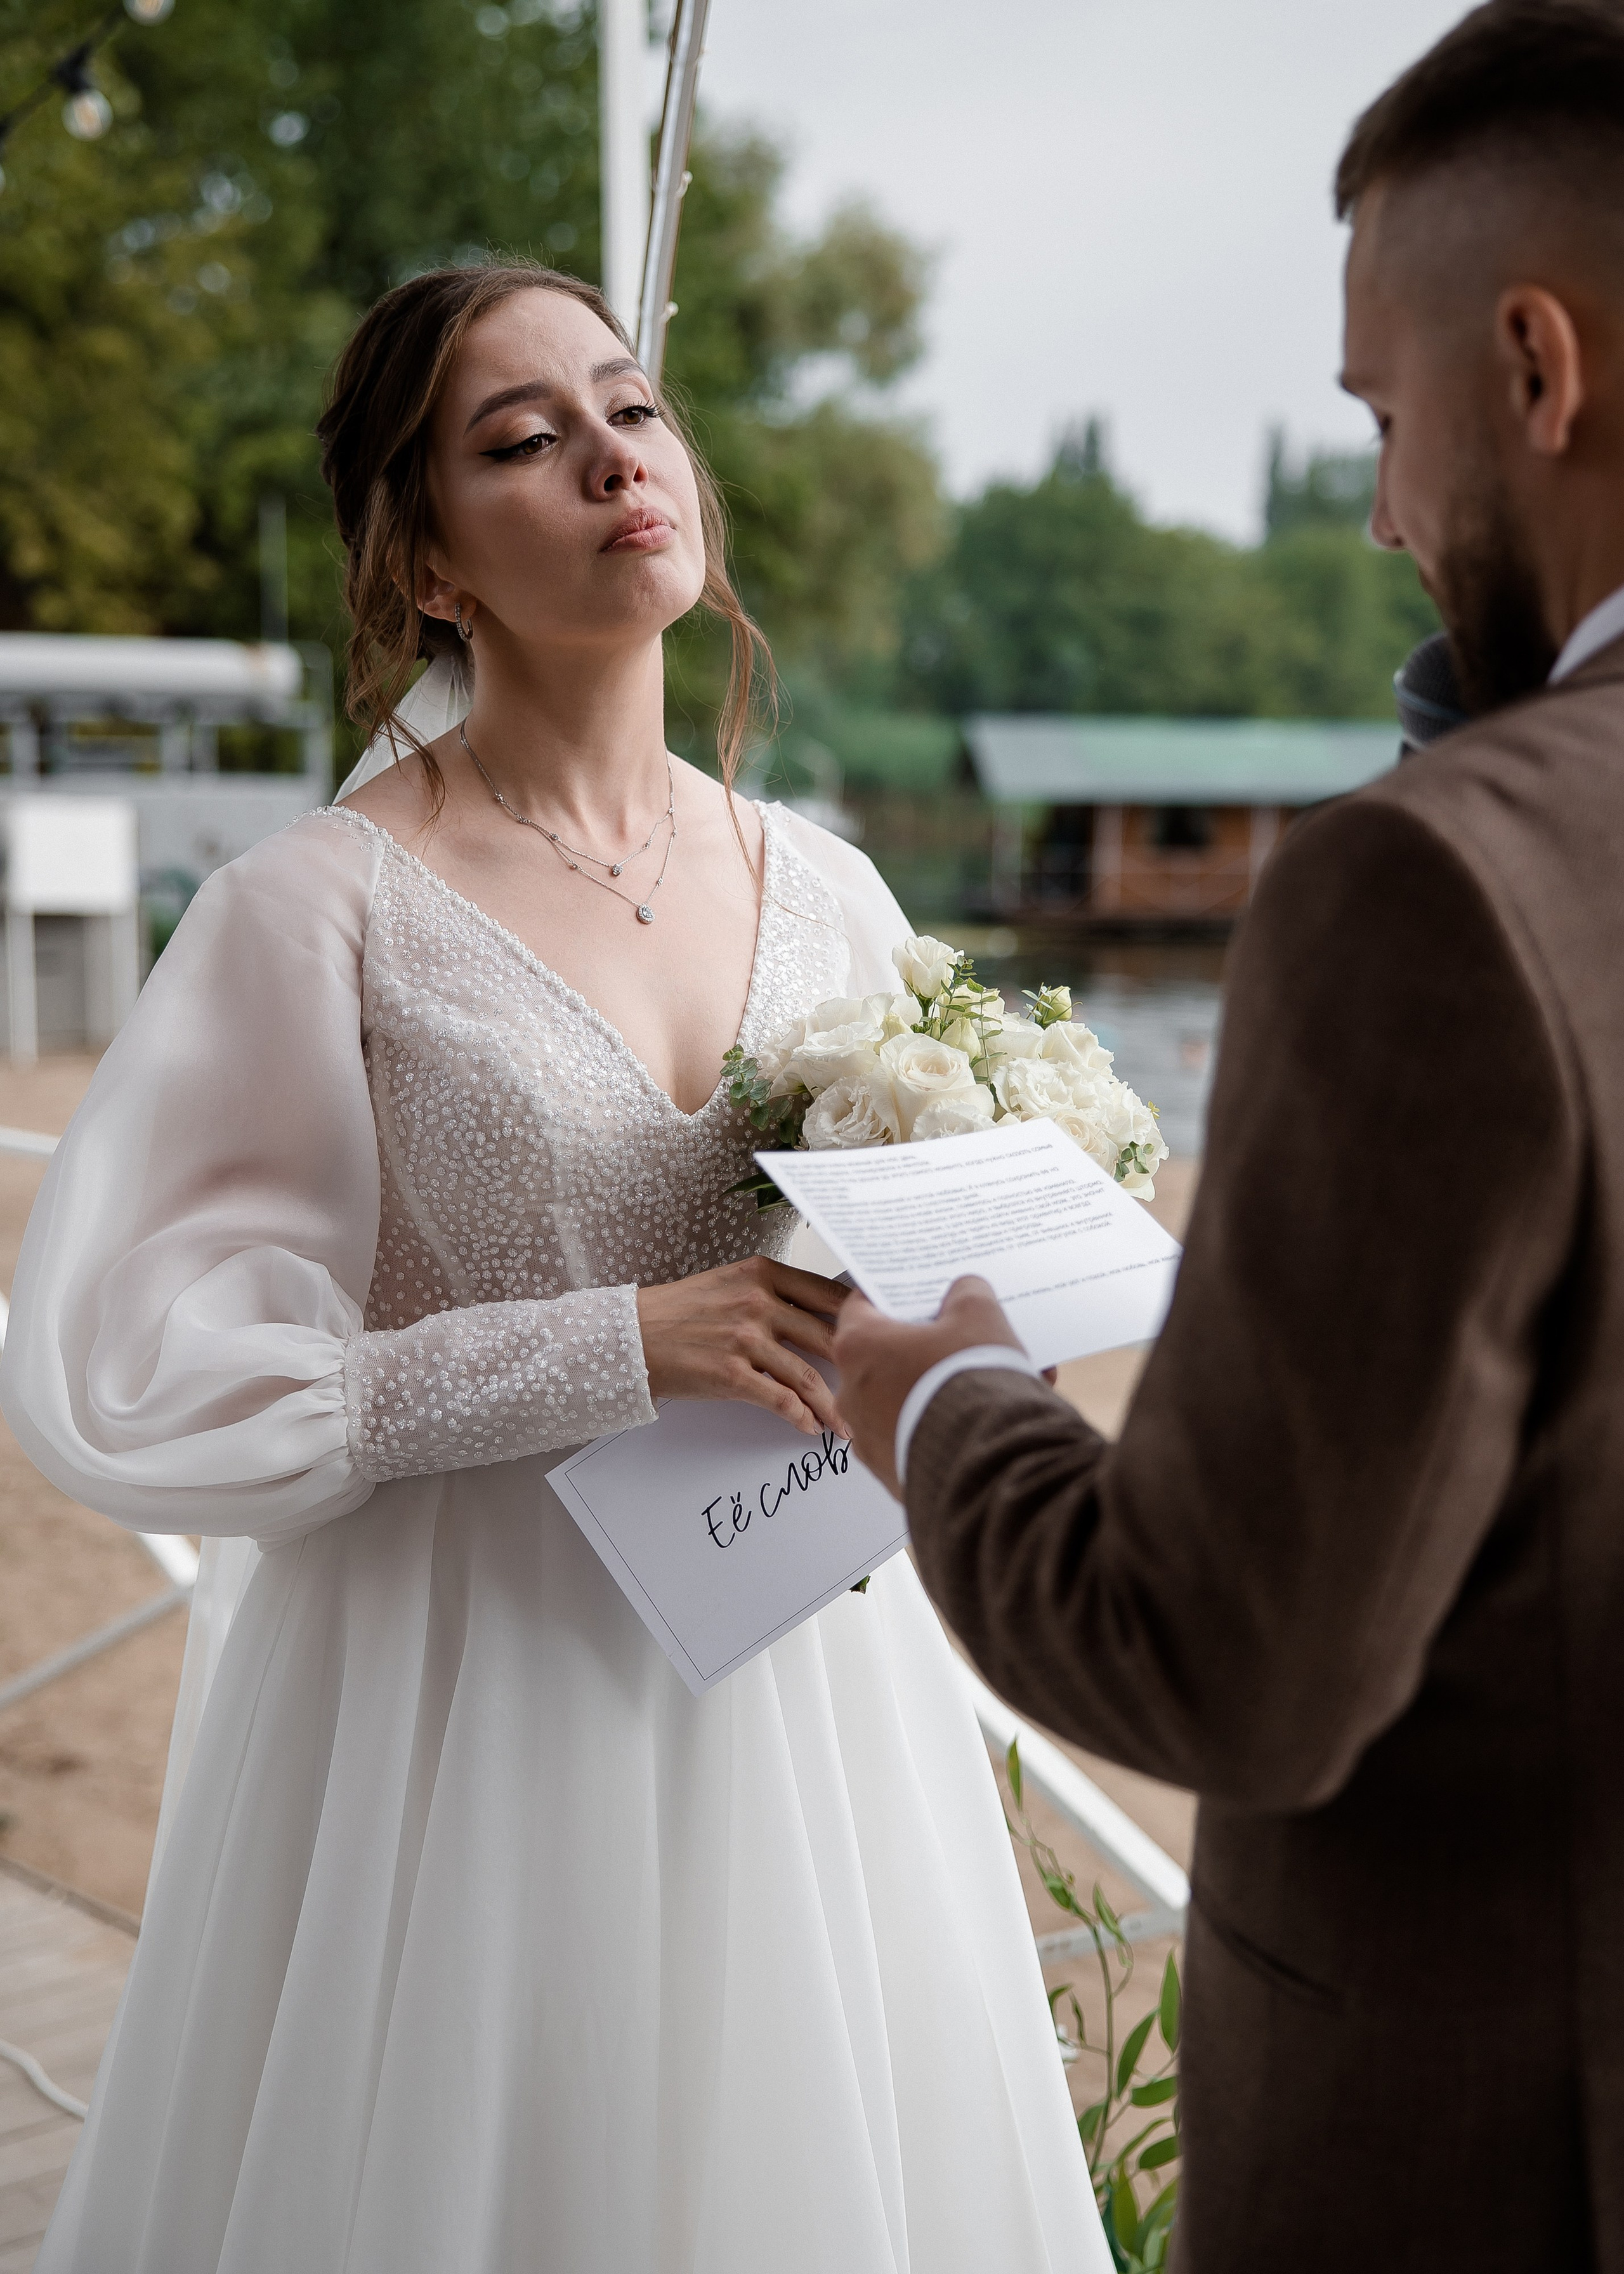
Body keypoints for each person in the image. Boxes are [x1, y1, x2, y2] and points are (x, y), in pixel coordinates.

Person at [1, 263, 1105, 2274]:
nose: (613, 454)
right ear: (425, 560)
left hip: (801, 1671)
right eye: (523, 440)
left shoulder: (831, 887)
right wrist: (610, 1342)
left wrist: (981, 1274)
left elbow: (890, 1260)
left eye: (635, 409)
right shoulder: (314, 907)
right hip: (467, 1697)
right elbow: (136, 1373)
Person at [833, 6, 1624, 2268]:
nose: (1381, 511)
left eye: (1385, 418)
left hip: (1502, 2144)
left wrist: (948, 1401)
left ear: (1537, 370)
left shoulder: (1441, 878)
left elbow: (1226, 1663)